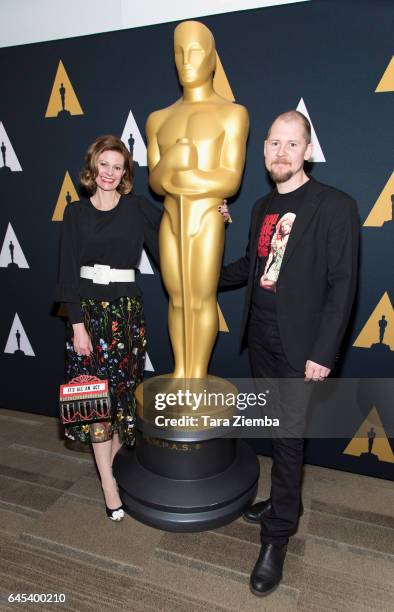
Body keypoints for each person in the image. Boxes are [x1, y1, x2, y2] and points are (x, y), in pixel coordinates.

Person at [220, 110, 359, 595]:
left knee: (288, 437)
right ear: (263, 151)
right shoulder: (260, 207)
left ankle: (276, 537)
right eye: (273, 143)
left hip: (302, 348)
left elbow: (343, 286)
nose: (281, 152)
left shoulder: (334, 206)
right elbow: (251, 265)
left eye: (291, 144)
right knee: (274, 429)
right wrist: (198, 275)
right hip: (258, 336)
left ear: (307, 151)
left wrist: (324, 351)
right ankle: (286, 504)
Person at [55, 135, 162, 521]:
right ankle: (108, 484)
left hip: (127, 315)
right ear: (92, 167)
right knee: (95, 401)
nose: (110, 173)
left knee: (119, 400)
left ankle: (112, 466)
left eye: (117, 167)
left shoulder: (136, 209)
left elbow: (179, 233)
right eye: (104, 165)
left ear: (125, 174)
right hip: (90, 317)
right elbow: (67, 274)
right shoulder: (76, 213)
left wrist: (214, 214)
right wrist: (78, 326)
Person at [146, 20, 248, 378]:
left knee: (202, 298)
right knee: (177, 298)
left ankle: (197, 375)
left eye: (196, 52)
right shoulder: (158, 119)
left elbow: (230, 179)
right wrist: (173, 162)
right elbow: (157, 183)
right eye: (180, 53)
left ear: (212, 59)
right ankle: (180, 371)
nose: (187, 60)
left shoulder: (232, 114)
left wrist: (184, 173)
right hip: (171, 218)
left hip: (205, 218)